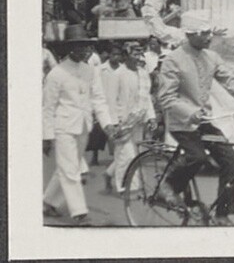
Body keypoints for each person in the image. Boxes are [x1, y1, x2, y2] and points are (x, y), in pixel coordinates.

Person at [157, 16, 234, 226]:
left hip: (204, 120)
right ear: (190, 34)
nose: (209, 37)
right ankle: (167, 186)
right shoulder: (173, 60)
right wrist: (190, 112)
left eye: (209, 33)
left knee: (232, 163)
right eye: (204, 33)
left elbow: (230, 81)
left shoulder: (211, 57)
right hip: (182, 123)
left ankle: (222, 214)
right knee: (197, 157)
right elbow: (166, 98)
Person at [42, 25, 116, 225]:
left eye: (85, 46)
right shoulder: (56, 74)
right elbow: (48, 107)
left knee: (68, 167)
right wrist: (46, 136)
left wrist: (107, 124)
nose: (83, 50)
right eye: (78, 46)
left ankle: (48, 202)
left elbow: (98, 99)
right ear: (68, 48)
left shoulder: (90, 71)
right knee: (70, 171)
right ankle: (79, 212)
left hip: (84, 127)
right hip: (63, 128)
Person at [109, 43, 157, 194]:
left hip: (138, 120)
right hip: (123, 121)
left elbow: (147, 97)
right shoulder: (118, 74)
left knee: (135, 153)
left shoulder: (143, 73)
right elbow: (111, 100)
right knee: (125, 155)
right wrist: (114, 122)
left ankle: (114, 176)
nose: (137, 58)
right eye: (134, 54)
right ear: (125, 56)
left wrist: (151, 117)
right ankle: (125, 187)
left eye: (139, 55)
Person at [97, 44, 123, 192]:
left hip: (121, 111)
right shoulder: (100, 70)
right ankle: (113, 177)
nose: (116, 57)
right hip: (106, 112)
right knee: (119, 149)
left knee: (121, 150)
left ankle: (109, 174)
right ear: (109, 55)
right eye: (114, 54)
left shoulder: (123, 70)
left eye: (119, 54)